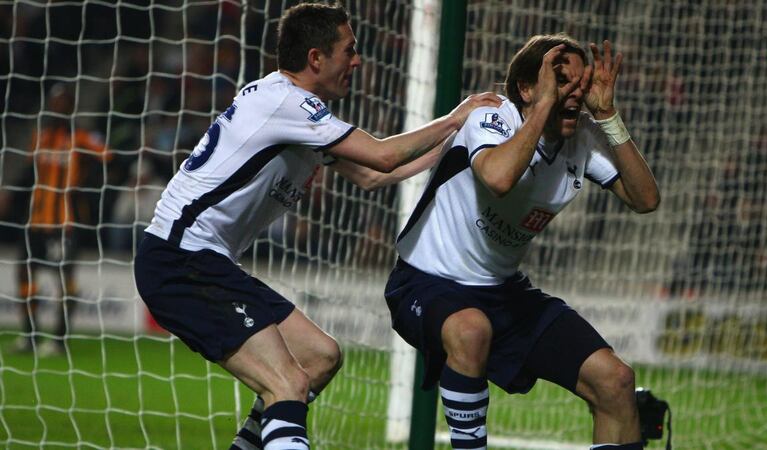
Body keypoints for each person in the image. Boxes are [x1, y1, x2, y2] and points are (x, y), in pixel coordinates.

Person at [132, 4, 500, 450]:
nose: (358, 60)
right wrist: (458, 115)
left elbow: (374, 175)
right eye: (350, 49)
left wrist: (460, 141)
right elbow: (384, 155)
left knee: (319, 357)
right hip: (181, 260)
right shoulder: (290, 104)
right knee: (286, 383)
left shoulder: (295, 109)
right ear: (315, 59)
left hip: (201, 261)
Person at [384, 34, 660, 450]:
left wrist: (607, 116)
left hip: (503, 292)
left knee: (615, 382)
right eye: (560, 81)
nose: (574, 94)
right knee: (470, 329)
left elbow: (646, 199)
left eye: (580, 86)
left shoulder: (582, 137)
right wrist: (544, 107)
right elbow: (498, 178)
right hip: (424, 281)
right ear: (527, 89)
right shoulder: (493, 117)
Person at [13, 82, 109, 356]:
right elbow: (28, 174)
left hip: (63, 223)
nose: (58, 107)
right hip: (35, 220)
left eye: (63, 103)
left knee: (65, 280)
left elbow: (110, 158)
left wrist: (85, 185)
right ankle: (29, 336)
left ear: (71, 107)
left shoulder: (81, 138)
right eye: (55, 103)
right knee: (24, 274)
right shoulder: (40, 137)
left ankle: (58, 340)